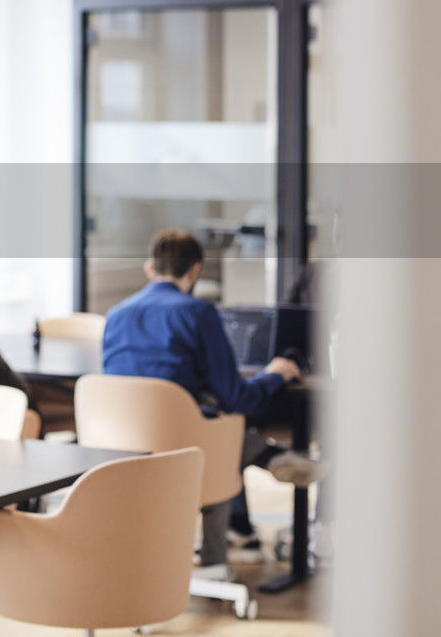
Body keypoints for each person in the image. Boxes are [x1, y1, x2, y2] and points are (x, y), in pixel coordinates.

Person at [101, 228, 325, 576]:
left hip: (122, 450)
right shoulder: (199, 313)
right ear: (195, 271)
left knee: (214, 424)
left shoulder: (114, 315)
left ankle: (251, 501)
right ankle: (266, 459)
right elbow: (238, 398)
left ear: (150, 269)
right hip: (188, 447)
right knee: (227, 428)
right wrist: (276, 374)